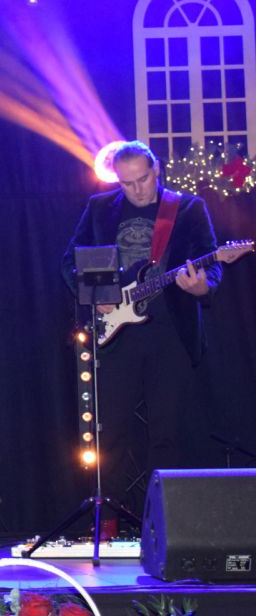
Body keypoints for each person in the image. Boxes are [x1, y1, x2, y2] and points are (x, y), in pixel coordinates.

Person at [61, 140, 220, 513]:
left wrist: (202, 286)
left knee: (167, 434)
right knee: (110, 434)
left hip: (170, 335)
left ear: (156, 169)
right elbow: (70, 262)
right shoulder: (100, 208)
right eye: (126, 183)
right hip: (116, 337)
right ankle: (108, 521)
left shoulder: (187, 208)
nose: (137, 190)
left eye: (143, 180)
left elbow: (212, 264)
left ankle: (164, 521)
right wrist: (93, 294)